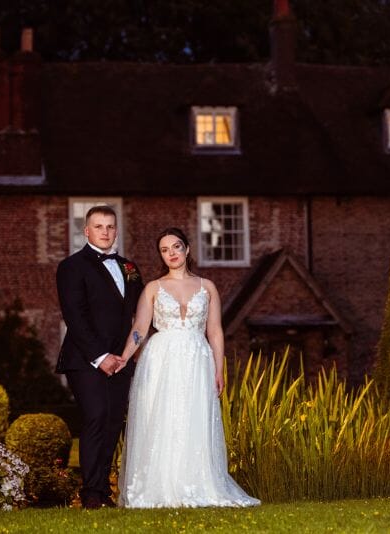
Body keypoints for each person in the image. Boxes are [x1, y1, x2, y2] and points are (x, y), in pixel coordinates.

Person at [114, 227, 260, 508]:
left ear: (187, 249)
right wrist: (124, 356)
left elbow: (215, 331)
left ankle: (196, 483)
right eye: (164, 249)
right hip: (161, 359)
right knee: (162, 418)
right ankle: (159, 485)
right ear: (161, 255)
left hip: (196, 359)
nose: (171, 253)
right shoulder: (153, 288)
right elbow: (140, 328)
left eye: (176, 246)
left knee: (194, 417)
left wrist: (219, 369)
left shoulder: (207, 287)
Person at [55, 205, 143, 509]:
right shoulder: (71, 267)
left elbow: (142, 311)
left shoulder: (129, 268)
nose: (105, 232)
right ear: (87, 231)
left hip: (122, 360)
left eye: (110, 226)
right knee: (96, 416)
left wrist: (128, 354)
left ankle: (104, 490)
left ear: (116, 231)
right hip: (85, 360)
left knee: (113, 421)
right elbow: (74, 317)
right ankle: (91, 493)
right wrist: (101, 356)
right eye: (99, 226)